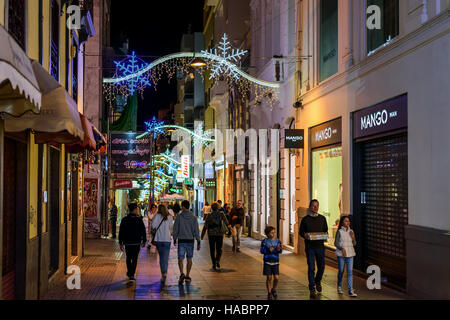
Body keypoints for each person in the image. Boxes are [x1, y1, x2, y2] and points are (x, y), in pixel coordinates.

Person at [299, 200, 329, 299]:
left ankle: (317, 280)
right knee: (311, 268)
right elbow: (301, 232)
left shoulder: (322, 218)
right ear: (310, 207)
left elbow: (325, 230)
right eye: (314, 206)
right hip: (310, 247)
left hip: (320, 247)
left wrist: (324, 236)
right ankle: (312, 288)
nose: (316, 208)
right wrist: (305, 235)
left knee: (322, 267)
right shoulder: (305, 220)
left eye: (317, 206)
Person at [173, 200, 201, 285]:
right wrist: (198, 240)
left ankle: (182, 273)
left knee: (180, 258)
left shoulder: (179, 217)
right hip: (190, 241)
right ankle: (188, 275)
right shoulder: (193, 217)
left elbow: (175, 229)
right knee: (189, 259)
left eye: (181, 206)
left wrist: (174, 238)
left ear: (183, 207)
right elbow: (196, 230)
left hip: (181, 240)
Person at [118, 203, 147, 281]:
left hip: (127, 242)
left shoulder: (124, 220)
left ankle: (130, 272)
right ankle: (132, 274)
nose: (137, 210)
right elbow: (143, 231)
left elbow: (121, 231)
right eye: (136, 209)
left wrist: (120, 242)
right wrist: (144, 240)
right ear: (134, 210)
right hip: (136, 242)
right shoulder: (138, 220)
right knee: (134, 258)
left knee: (128, 257)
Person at [201, 202, 230, 271]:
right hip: (219, 233)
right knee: (219, 249)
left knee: (212, 249)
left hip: (211, 234)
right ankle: (217, 260)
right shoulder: (221, 214)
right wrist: (229, 230)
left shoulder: (209, 215)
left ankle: (213, 263)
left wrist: (202, 235)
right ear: (218, 208)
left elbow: (206, 226)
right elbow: (226, 222)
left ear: (212, 208)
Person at [335, 216, 358, 297]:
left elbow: (354, 244)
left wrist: (353, 238)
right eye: (346, 221)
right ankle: (339, 286)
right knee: (341, 271)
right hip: (341, 255)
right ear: (342, 222)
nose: (347, 223)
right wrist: (342, 249)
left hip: (350, 254)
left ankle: (350, 290)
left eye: (348, 221)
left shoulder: (351, 231)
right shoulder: (340, 232)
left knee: (350, 272)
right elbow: (336, 243)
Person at [151, 204, 174, 286]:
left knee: (161, 258)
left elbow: (153, 226)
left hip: (159, 240)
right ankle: (165, 272)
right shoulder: (169, 217)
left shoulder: (157, 216)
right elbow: (171, 227)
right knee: (166, 258)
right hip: (167, 240)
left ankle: (163, 273)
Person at [260, 226, 282, 300]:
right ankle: (269, 292)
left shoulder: (278, 241)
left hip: (275, 261)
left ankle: (274, 289)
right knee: (269, 277)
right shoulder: (265, 241)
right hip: (267, 261)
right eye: (272, 233)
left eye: (274, 232)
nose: (274, 234)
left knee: (276, 278)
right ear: (268, 234)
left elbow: (280, 251)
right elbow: (262, 251)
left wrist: (278, 249)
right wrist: (268, 250)